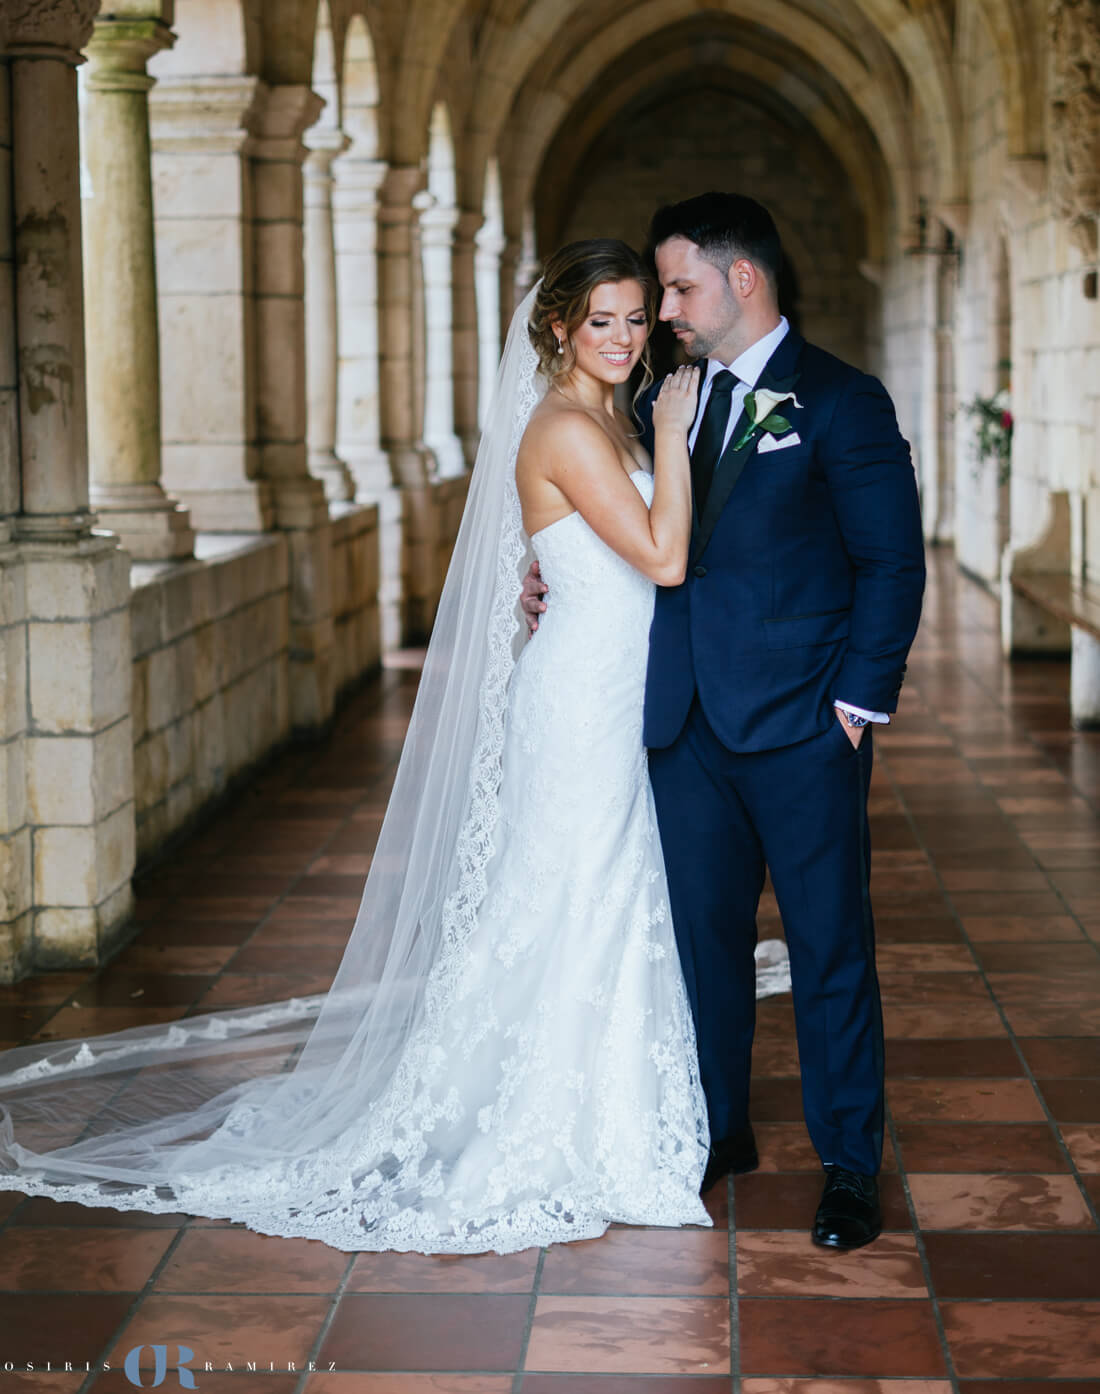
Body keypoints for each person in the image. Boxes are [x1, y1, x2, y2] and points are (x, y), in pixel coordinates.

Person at [0, 239, 726, 1255]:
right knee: (572, 889)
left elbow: (595, 559)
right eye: (600, 320)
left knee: (596, 891)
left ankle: (602, 1109)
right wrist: (678, 435)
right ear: (558, 326)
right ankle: (539, 1122)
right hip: (577, 703)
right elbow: (661, 552)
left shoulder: (601, 416)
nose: (620, 338)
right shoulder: (569, 424)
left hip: (606, 685)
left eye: (634, 319)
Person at [524, 194, 926, 1250]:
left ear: (740, 280)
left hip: (801, 727)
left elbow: (891, 562)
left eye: (677, 288)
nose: (662, 311)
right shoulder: (661, 393)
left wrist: (852, 706)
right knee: (698, 947)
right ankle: (714, 1131)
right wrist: (546, 570)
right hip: (678, 724)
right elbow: (618, 519)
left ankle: (846, 1165)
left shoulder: (841, 401)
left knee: (828, 946)